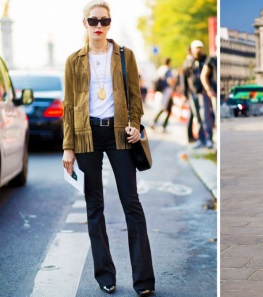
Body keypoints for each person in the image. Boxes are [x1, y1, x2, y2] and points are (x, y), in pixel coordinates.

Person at [61, 1, 155, 295]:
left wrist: (135, 125)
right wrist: (68, 147)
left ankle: (144, 281)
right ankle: (105, 275)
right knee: (94, 207)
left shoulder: (125, 56)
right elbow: (68, 105)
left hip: (119, 135)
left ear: (110, 23)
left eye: (104, 20)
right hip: (86, 135)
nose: (98, 25)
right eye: (93, 20)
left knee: (132, 204)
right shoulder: (73, 60)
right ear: (85, 24)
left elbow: (134, 97)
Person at [183, 40, 213, 149]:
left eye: (200, 47)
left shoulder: (206, 60)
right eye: (196, 48)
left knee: (205, 116)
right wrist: (185, 93)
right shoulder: (188, 62)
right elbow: (184, 79)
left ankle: (208, 139)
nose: (199, 50)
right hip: (192, 93)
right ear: (192, 49)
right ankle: (200, 139)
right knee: (198, 118)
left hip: (203, 92)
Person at [151, 57, 177, 132]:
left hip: (160, 91)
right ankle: (156, 123)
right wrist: (174, 81)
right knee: (165, 108)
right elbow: (170, 81)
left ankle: (157, 123)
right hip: (166, 91)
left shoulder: (160, 69)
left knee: (167, 107)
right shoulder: (168, 70)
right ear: (169, 63)